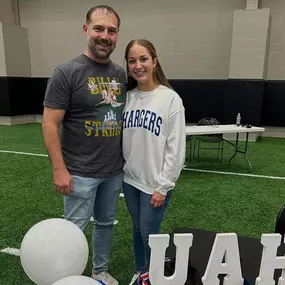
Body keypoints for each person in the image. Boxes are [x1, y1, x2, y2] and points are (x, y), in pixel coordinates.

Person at [42, 5, 126, 285]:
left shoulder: (120, 74)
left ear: (117, 35)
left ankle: (100, 271)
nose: (105, 36)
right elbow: (50, 123)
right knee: (74, 230)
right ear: (86, 29)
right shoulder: (66, 71)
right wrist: (59, 170)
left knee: (105, 225)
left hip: (113, 172)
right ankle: (70, 277)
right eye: (99, 28)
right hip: (78, 172)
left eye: (111, 31)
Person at [122, 39, 186, 284]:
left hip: (155, 184)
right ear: (127, 66)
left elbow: (176, 148)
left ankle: (154, 276)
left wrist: (163, 185)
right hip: (130, 180)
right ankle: (141, 270)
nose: (138, 65)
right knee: (137, 228)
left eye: (143, 59)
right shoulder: (126, 98)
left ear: (154, 62)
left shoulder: (170, 99)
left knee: (150, 232)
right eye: (132, 61)